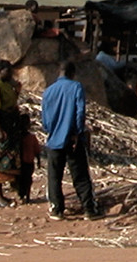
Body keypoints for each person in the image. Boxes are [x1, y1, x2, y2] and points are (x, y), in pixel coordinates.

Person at [40, 61, 97, 218]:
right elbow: (80, 113)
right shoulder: (76, 87)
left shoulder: (48, 91)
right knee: (80, 175)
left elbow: (44, 120)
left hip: (54, 140)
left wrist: (51, 130)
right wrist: (77, 133)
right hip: (72, 138)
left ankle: (57, 209)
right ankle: (89, 209)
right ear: (72, 72)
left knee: (54, 177)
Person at [0, 104, 39, 207]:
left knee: (16, 168)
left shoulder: (29, 137)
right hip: (3, 134)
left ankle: (21, 194)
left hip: (11, 134)